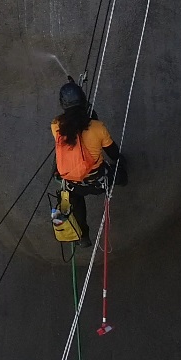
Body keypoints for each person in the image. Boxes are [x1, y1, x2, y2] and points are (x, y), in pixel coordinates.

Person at [51, 80, 125, 248]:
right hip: (97, 181)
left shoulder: (56, 126)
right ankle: (123, 179)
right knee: (120, 168)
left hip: (73, 185)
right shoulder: (97, 127)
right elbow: (113, 153)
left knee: (74, 198)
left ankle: (83, 235)